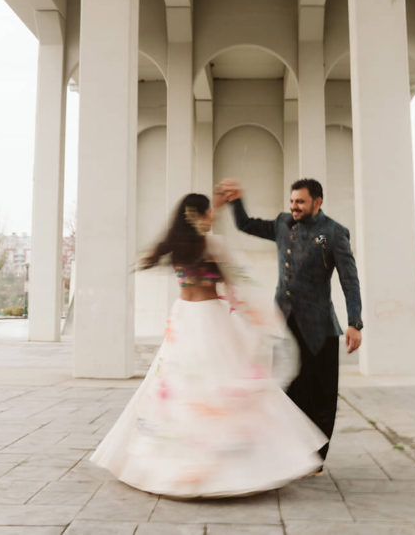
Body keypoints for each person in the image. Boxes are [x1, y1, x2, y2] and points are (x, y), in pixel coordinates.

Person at [89, 193, 326, 498]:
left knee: (175, 385)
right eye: (209, 213)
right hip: (209, 318)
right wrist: (266, 318)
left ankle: (172, 463)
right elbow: (240, 283)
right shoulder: (213, 245)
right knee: (220, 381)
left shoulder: (178, 245)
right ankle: (227, 464)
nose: (213, 217)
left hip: (183, 318)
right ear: (202, 214)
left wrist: (211, 203)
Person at [216, 178, 362, 469]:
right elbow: (245, 224)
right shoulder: (283, 224)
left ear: (317, 202)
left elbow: (349, 281)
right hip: (282, 325)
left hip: (319, 329)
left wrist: (354, 323)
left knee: (320, 396)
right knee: (286, 392)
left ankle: (316, 459)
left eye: (301, 202)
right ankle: (288, 453)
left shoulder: (330, 234)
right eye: (292, 201)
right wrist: (235, 200)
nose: (294, 207)